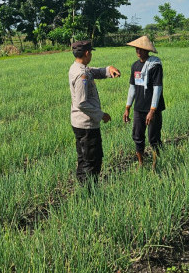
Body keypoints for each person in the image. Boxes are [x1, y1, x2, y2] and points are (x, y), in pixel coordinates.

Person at [68, 39, 121, 184]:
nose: (91, 54)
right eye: (90, 52)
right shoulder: (81, 75)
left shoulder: (78, 68)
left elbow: (93, 71)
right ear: (86, 53)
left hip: (80, 123)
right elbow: (81, 102)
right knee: (91, 160)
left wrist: (108, 70)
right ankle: (89, 192)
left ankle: (86, 188)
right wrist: (101, 115)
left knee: (84, 158)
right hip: (86, 125)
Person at [122, 36, 165, 170]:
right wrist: (127, 107)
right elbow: (132, 87)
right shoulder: (135, 66)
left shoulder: (155, 66)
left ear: (147, 50)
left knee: (154, 138)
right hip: (139, 108)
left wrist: (152, 110)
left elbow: (158, 87)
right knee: (137, 136)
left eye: (141, 49)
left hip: (153, 109)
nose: (138, 51)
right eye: (137, 49)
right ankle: (141, 163)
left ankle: (155, 165)